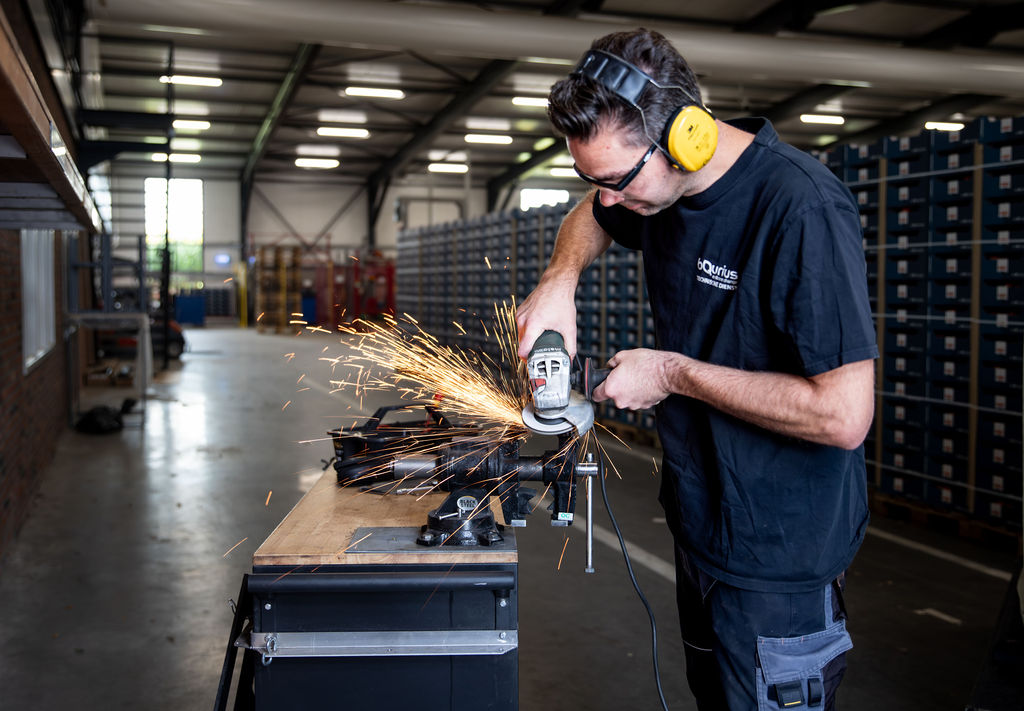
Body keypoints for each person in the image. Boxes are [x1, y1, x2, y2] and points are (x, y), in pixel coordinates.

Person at [516, 28, 878, 711]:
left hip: (777, 563)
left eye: (618, 181)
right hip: (703, 531)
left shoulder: (800, 207)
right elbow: (592, 212)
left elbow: (844, 413)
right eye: (594, 181)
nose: (610, 200)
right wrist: (561, 278)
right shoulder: (656, 190)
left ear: (687, 135)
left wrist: (673, 375)